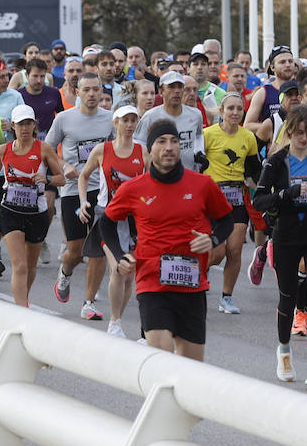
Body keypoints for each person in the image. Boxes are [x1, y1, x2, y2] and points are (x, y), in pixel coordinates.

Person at [98, 120, 233, 362]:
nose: (168, 147)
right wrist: (120, 257)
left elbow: (226, 221)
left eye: (174, 141)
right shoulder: (133, 188)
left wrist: (212, 239)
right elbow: (106, 223)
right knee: (162, 359)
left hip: (192, 286)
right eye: (161, 142)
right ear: (150, 150)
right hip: (153, 285)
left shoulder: (202, 185)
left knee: (191, 368)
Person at [252, 104, 307, 387]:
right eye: (298, 132)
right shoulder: (276, 162)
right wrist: (287, 193)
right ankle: (284, 351)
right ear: (289, 132)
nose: (302, 137)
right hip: (286, 235)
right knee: (287, 296)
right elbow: (259, 200)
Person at [48, 73, 119, 318]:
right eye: (86, 89)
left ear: (101, 92)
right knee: (76, 250)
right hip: (72, 190)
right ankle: (65, 271)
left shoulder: (110, 119)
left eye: (95, 90)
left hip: (102, 190)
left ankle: (88, 302)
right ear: (76, 92)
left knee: (99, 247)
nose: (91, 94)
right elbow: (47, 150)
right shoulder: (64, 119)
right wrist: (62, 165)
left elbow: (118, 149)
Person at [0, 105, 65, 307]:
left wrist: (46, 178)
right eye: (21, 124)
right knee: (19, 266)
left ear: (34, 125)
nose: (25, 128)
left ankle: (24, 300)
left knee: (30, 267)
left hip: (36, 212)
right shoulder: (3, 150)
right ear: (13, 125)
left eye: (29, 123)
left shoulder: (44, 149)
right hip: (10, 211)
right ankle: (21, 310)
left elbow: (61, 179)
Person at [79, 104, 146, 336]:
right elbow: (84, 176)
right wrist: (82, 202)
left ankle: (117, 317)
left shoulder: (143, 151)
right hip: (107, 216)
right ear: (115, 123)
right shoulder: (102, 150)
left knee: (128, 276)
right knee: (118, 268)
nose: (129, 125)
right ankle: (115, 323)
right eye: (125, 120)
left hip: (134, 220)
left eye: (133, 121)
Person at [202, 93, 261, 315]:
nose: (235, 113)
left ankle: (226, 298)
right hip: (211, 198)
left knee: (234, 251)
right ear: (221, 111)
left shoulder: (248, 137)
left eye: (239, 109)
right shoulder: (208, 135)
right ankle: (198, 273)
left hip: (237, 198)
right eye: (231, 109)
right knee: (216, 253)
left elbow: (255, 170)